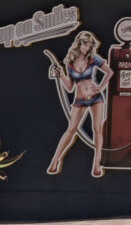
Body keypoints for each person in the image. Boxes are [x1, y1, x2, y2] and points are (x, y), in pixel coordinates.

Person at [44, 30, 109, 178]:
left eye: (89, 45)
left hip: (95, 97)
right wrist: (60, 75)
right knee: (71, 130)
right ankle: (55, 160)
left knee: (97, 129)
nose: (87, 47)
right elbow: (69, 87)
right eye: (85, 44)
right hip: (79, 99)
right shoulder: (70, 63)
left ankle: (97, 162)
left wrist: (100, 87)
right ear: (79, 44)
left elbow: (109, 72)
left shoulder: (93, 58)